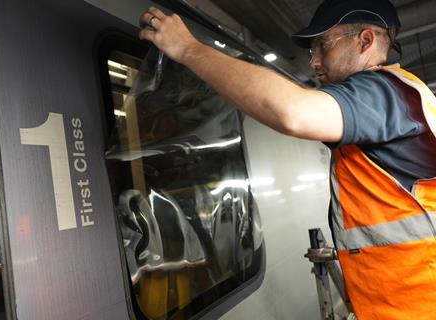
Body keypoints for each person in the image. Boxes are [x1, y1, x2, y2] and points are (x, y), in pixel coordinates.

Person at [139, 0, 436, 319]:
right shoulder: (396, 100)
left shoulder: (384, 94)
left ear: (365, 41)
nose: (315, 61)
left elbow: (292, 112)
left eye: (323, 45)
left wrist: (188, 49)